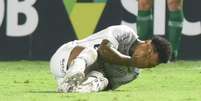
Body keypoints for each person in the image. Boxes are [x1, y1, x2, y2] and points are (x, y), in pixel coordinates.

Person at [50, 25, 172, 93]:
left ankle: (74, 89)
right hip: (65, 56)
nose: (144, 64)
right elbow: (103, 50)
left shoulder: (132, 74)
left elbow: (107, 87)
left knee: (102, 80)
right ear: (147, 43)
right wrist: (131, 61)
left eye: (149, 65)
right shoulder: (126, 33)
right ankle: (73, 76)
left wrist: (96, 81)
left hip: (64, 78)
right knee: (92, 53)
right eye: (147, 55)